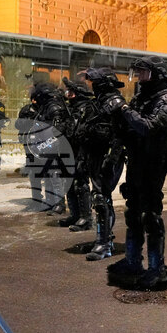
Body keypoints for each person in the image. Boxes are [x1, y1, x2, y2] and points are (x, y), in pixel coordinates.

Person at [103, 56, 167, 289]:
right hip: (136, 163)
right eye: (137, 72)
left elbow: (148, 127)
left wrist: (124, 108)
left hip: (154, 165)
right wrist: (115, 114)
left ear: (156, 74)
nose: (138, 77)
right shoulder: (141, 97)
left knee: (151, 217)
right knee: (132, 213)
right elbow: (129, 129)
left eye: (143, 73)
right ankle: (133, 260)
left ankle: (158, 269)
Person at [78, 68, 126, 262]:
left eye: (95, 82)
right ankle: (104, 237)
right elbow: (83, 131)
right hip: (93, 155)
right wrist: (81, 158)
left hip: (108, 157)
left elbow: (120, 135)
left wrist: (112, 158)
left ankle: (104, 243)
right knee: (99, 196)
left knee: (100, 197)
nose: (92, 86)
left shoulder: (116, 104)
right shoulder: (94, 104)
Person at [57, 77, 96, 231]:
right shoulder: (69, 108)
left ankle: (86, 217)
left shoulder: (87, 108)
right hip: (68, 149)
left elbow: (83, 131)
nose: (68, 94)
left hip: (80, 151)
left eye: (71, 91)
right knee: (68, 184)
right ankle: (75, 214)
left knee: (81, 184)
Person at [29, 82, 72, 213]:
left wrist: (48, 145)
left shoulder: (53, 107)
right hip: (45, 145)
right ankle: (51, 201)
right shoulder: (46, 107)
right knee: (49, 176)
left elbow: (58, 130)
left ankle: (59, 203)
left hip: (53, 146)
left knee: (55, 175)